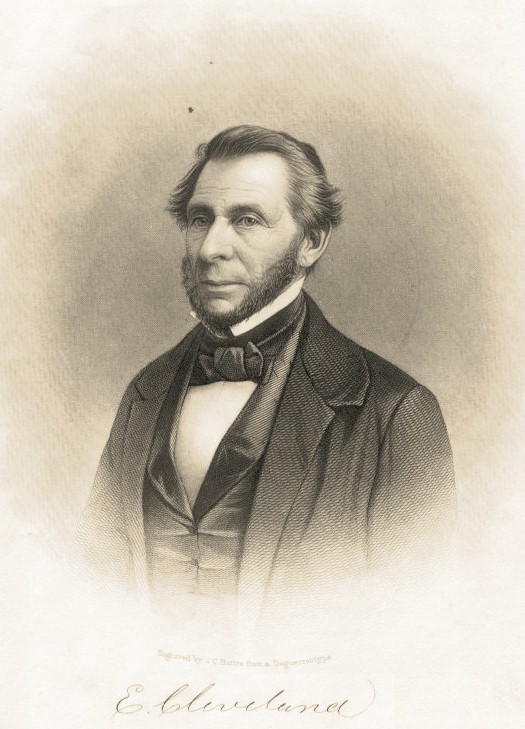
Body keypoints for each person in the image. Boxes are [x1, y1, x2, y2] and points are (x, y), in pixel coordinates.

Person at [78, 125, 455, 618]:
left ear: (310, 241)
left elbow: (419, 625)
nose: (211, 248)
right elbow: (88, 591)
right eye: (200, 219)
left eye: (248, 220)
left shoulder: (395, 413)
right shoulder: (144, 394)